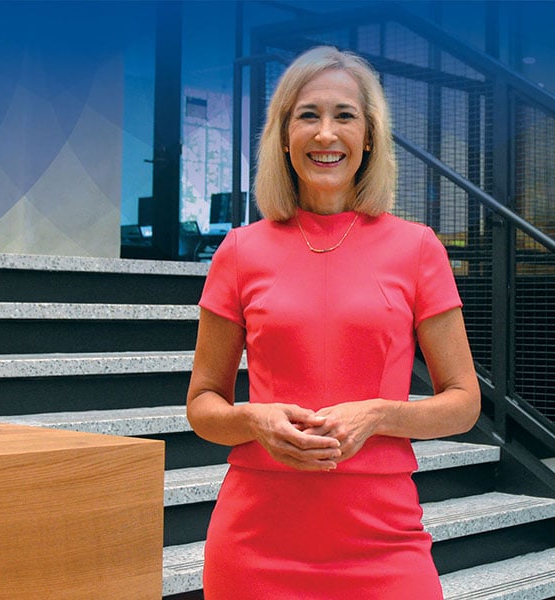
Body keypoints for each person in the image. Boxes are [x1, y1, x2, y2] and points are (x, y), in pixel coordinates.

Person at [186, 46, 480, 600]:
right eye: (308, 116)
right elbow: (203, 404)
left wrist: (379, 415)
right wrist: (254, 420)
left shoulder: (417, 248)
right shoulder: (239, 251)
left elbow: (464, 401)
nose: (326, 134)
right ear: (283, 135)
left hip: (384, 539)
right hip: (257, 542)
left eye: (344, 115)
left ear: (369, 136)